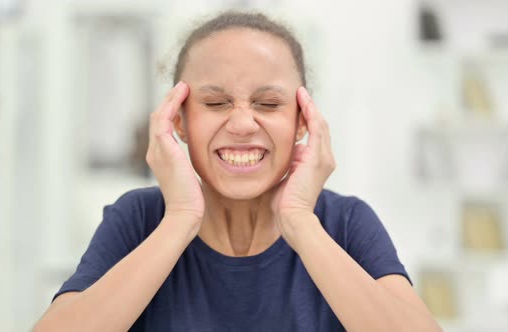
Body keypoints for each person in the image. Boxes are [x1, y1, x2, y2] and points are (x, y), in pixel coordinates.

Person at [33, 11, 441, 332]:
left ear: (303, 121)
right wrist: (179, 219)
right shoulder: (138, 219)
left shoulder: (345, 223)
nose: (243, 124)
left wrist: (300, 221)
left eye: (268, 104)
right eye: (215, 103)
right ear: (177, 121)